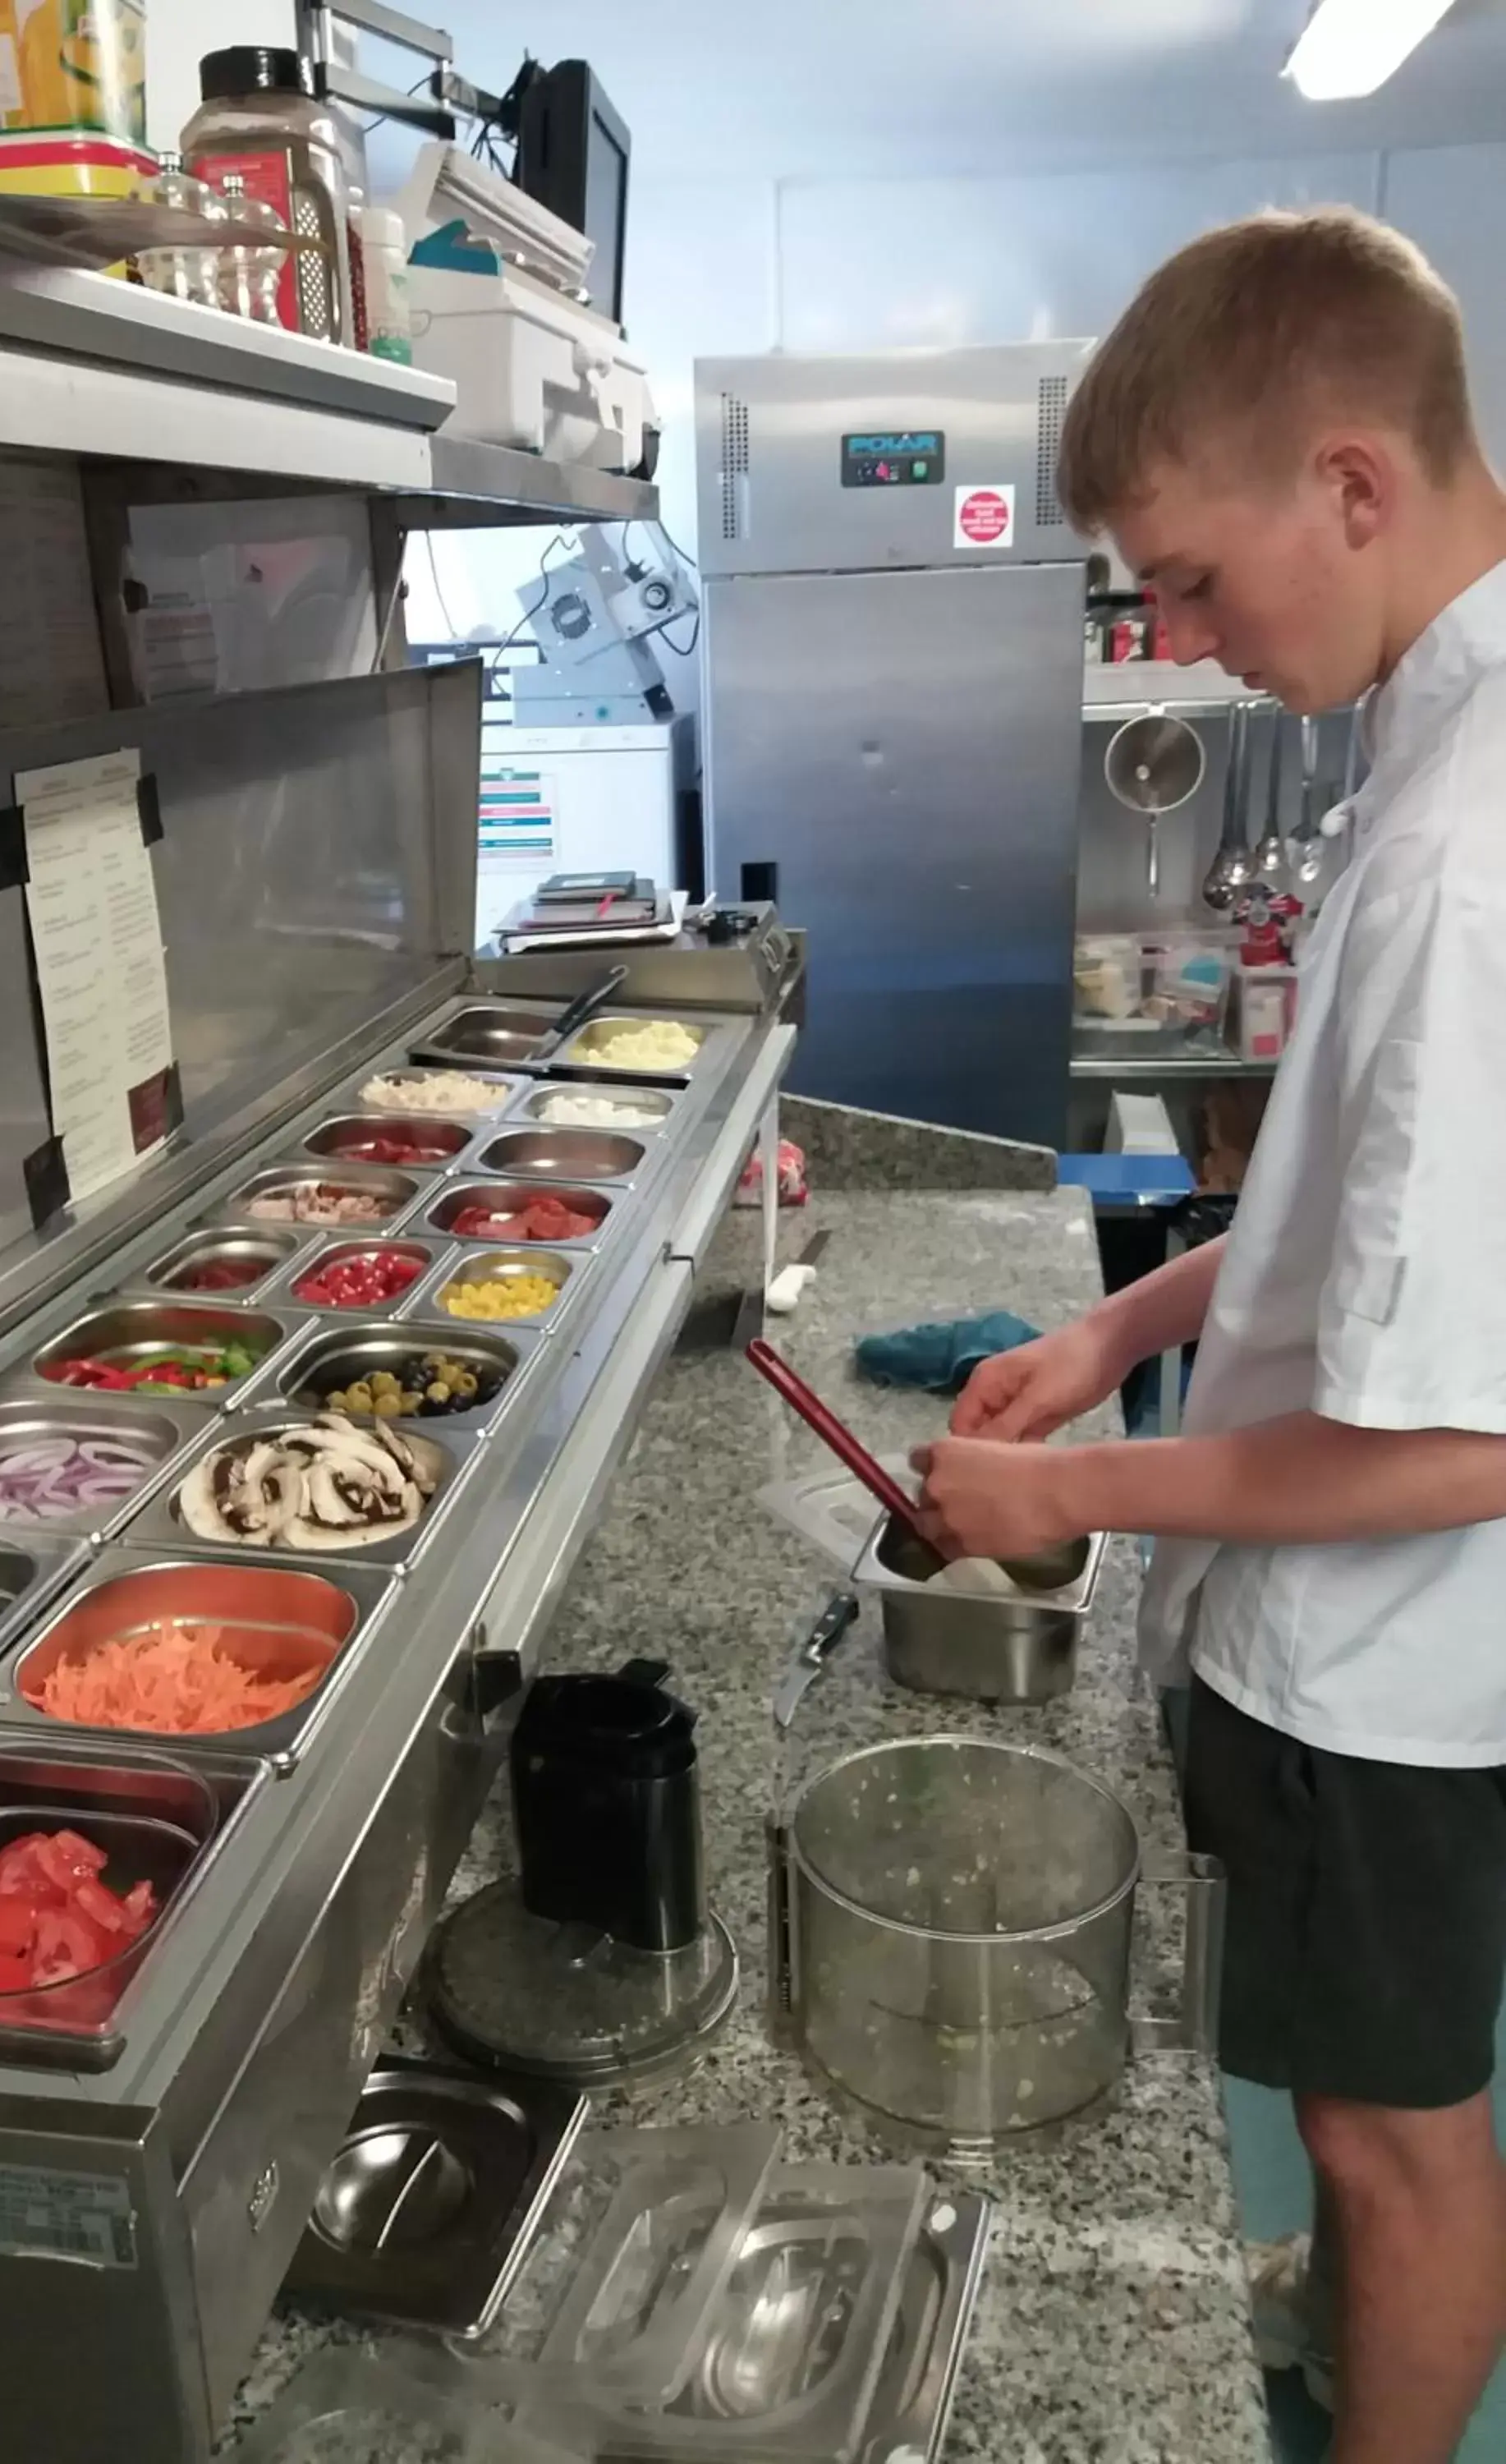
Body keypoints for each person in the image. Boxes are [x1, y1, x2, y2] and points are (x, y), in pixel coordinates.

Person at [911, 206, 1506, 2464]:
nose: (1178, 638)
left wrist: (1066, 1492)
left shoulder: (1469, 842)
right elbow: (1372, 1213)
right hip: (1363, 1637)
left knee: (1395, 2138)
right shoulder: (1439, 735)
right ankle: (1349, 2324)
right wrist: (1125, 1323)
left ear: (1349, 483)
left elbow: (1468, 1437)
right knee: (1361, 2130)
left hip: (1400, 1663)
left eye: (1187, 578)